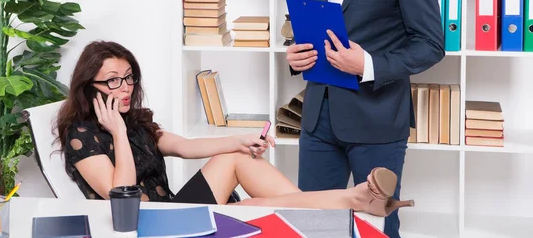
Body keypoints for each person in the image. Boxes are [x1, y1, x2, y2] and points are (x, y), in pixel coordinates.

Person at [55, 40, 414, 216]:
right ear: (90, 88)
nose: (126, 87)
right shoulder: (81, 136)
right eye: (113, 81)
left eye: (129, 77)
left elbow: (184, 146)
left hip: (171, 211)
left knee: (236, 157)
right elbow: (122, 200)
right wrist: (116, 132)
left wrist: (242, 139)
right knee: (255, 205)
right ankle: (350, 202)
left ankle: (338, 208)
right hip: (145, 226)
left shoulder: (134, 120)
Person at [286, 0, 445, 238]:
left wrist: (367, 64)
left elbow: (430, 44)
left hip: (376, 123)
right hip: (319, 119)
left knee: (377, 227)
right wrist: (296, 53)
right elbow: (315, 25)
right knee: (312, 225)